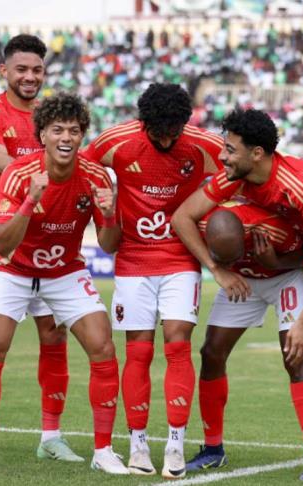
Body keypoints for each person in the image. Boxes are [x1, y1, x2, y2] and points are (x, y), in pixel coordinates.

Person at [172, 108, 303, 486]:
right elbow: (183, 216)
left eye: (230, 149)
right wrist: (219, 268)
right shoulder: (234, 178)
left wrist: (302, 321)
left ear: (257, 153)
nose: (222, 157)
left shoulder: (301, 184)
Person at [0, 93, 129, 477]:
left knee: (102, 345)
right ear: (43, 135)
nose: (66, 137)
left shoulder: (97, 176)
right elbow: (1, 243)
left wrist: (109, 212)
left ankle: (103, 450)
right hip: (14, 269)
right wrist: (29, 202)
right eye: (57, 130)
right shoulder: (19, 174)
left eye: (74, 130)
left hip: (64, 271)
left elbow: (110, 244)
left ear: (82, 135)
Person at [82, 83, 223, 479]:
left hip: (181, 256)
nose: (165, 138)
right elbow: (84, 167)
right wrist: (102, 207)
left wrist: (216, 219)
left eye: (173, 131)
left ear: (184, 123)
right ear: (144, 122)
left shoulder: (202, 144)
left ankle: (175, 445)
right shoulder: (117, 140)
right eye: (158, 131)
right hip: (132, 259)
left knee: (178, 344)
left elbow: (234, 174)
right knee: (138, 352)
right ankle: (139, 443)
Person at [0, 34, 80, 461]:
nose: (29, 77)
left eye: (37, 70)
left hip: (49, 238)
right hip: (0, 236)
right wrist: (47, 179)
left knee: (54, 334)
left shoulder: (51, 116)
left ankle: (51, 437)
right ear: (4, 71)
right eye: (21, 69)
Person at [186, 203, 303, 481]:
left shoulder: (274, 228)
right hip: (240, 282)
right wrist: (219, 268)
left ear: (245, 236)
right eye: (222, 256)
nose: (228, 259)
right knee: (211, 352)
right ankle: (213, 449)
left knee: (294, 357)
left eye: (234, 254)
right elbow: (182, 222)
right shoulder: (203, 225)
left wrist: (275, 262)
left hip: (283, 278)